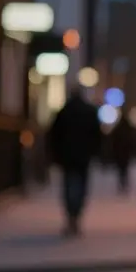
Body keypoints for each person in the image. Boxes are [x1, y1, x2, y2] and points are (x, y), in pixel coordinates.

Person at [47, 88, 103, 237]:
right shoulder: (89, 112)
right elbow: (97, 135)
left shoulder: (64, 112)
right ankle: (76, 215)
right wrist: (94, 152)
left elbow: (54, 136)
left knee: (68, 185)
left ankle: (71, 216)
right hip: (83, 156)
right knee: (82, 185)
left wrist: (55, 155)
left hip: (67, 156)